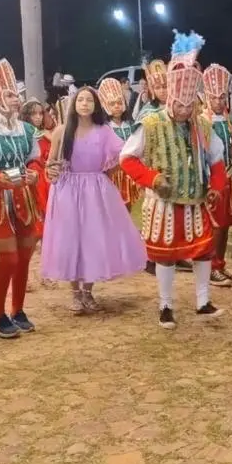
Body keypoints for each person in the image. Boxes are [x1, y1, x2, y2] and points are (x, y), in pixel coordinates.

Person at [119, 37, 228, 330]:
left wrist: (216, 186)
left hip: (195, 199)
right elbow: (126, 158)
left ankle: (203, 301)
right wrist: (152, 178)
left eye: (189, 105)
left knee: (204, 251)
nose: (184, 110)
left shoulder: (203, 124)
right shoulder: (150, 123)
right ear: (170, 100)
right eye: (179, 105)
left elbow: (216, 159)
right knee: (165, 257)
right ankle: (165, 306)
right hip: (163, 202)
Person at [41, 86, 147, 312]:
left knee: (92, 239)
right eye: (81, 100)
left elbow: (122, 154)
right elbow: (50, 163)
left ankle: (88, 291)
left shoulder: (104, 130)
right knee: (71, 239)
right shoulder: (62, 131)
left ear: (96, 105)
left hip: (95, 191)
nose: (85, 104)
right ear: (74, 104)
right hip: (67, 190)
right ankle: (75, 293)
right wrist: (51, 172)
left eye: (90, 100)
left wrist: (105, 173)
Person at [0, 60, 44, 338]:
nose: (16, 100)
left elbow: (35, 160)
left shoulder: (26, 130)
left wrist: (35, 174)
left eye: (16, 94)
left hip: (23, 197)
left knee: (24, 257)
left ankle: (18, 309)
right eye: (10, 95)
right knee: (9, 258)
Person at [202, 64, 232, 287]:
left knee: (226, 225)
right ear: (206, 97)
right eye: (214, 97)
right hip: (211, 181)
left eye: (221, 97)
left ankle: (220, 264)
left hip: (229, 180)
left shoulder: (231, 121)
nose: (218, 101)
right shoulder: (201, 122)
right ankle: (210, 267)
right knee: (215, 225)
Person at [98, 77, 141, 209]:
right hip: (112, 173)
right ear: (105, 106)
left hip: (131, 171)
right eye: (112, 104)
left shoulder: (131, 124)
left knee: (131, 206)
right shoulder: (104, 127)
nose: (116, 106)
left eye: (119, 102)